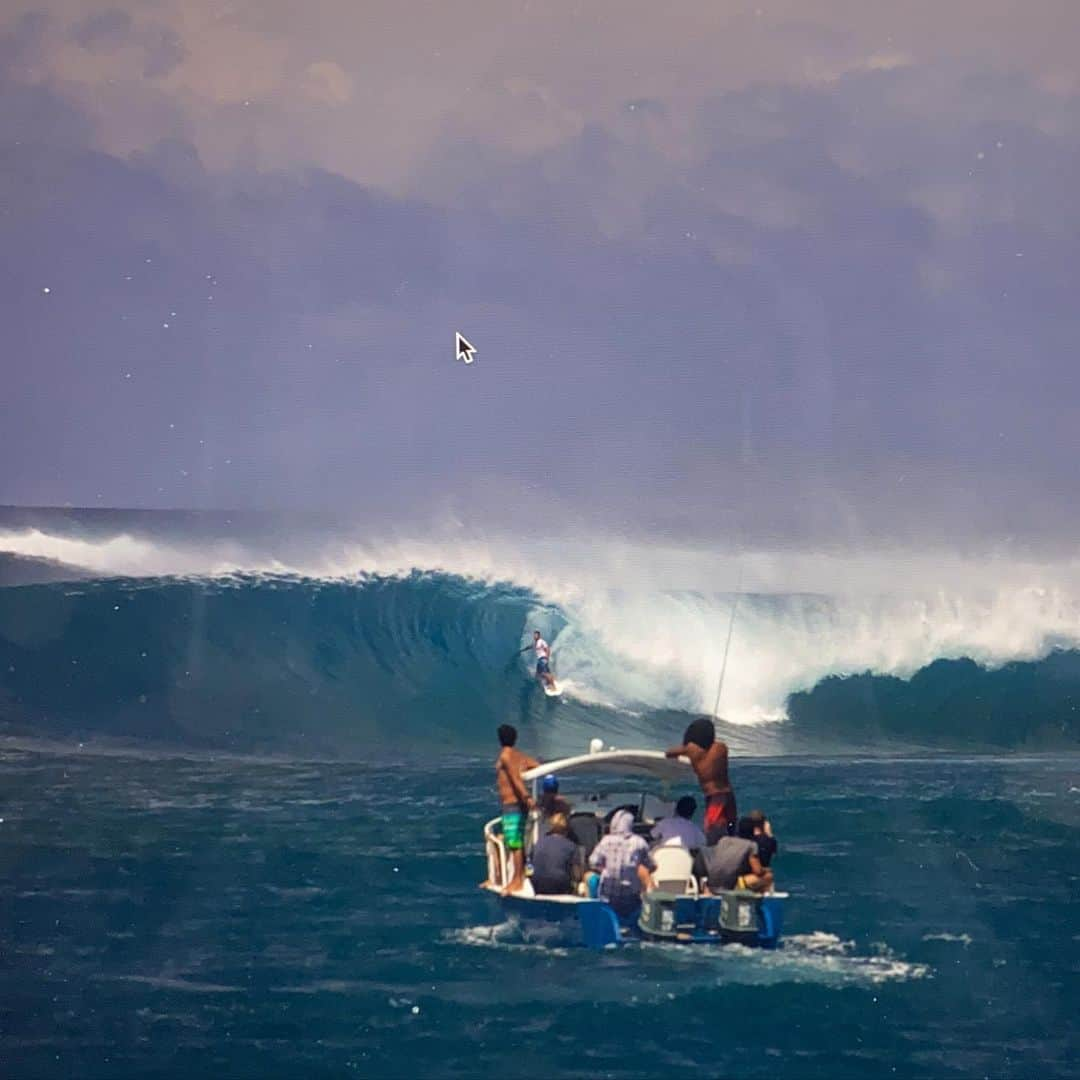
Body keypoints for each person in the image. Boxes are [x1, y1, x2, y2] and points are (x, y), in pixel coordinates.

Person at [481, 723, 538, 895]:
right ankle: (507, 878)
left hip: (512, 803)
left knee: (515, 843)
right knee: (514, 840)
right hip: (517, 804)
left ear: (500, 739)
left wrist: (526, 797)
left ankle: (517, 881)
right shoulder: (518, 755)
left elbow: (514, 779)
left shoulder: (505, 756)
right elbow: (535, 765)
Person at [665, 717, 737, 842]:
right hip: (728, 794)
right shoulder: (721, 747)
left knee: (712, 828)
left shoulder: (691, 749)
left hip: (714, 796)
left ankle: (716, 851)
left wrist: (686, 746)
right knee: (730, 824)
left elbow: (669, 753)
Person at [587, 809, 656, 918]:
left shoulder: (606, 841)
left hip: (607, 898)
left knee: (592, 879)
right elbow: (652, 866)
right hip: (631, 900)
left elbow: (593, 862)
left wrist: (607, 869)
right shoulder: (640, 842)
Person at [693, 821, 774, 894]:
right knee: (768, 876)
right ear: (752, 832)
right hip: (730, 887)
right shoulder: (751, 845)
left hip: (712, 885)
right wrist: (766, 869)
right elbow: (758, 871)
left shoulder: (724, 840)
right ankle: (756, 904)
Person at [529, 813, 583, 895]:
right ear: (567, 830)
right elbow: (577, 874)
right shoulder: (571, 846)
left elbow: (530, 866)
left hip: (536, 884)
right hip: (559, 886)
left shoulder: (538, 843)